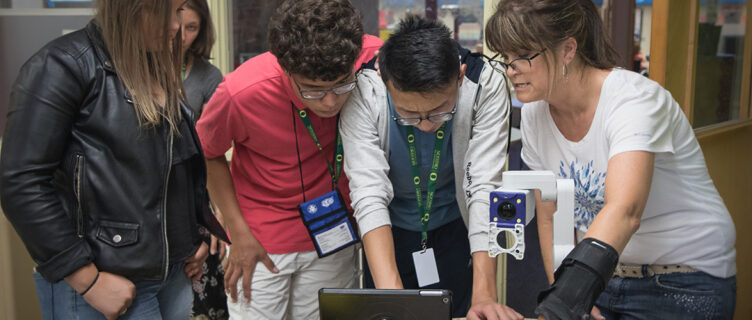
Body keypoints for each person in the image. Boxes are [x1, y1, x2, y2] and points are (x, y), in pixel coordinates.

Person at [484, 0, 738, 319]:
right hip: (601, 276)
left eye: (523, 55)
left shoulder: (633, 100)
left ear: (568, 50)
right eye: (505, 57)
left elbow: (624, 211)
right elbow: (551, 217)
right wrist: (565, 294)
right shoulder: (535, 114)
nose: (511, 69)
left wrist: (565, 300)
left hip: (682, 278)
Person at [0, 0, 229, 319]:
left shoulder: (154, 63)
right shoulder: (62, 64)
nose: (175, 26)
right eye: (162, 12)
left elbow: (170, 170)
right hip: (104, 280)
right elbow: (22, 184)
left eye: (178, 11)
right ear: (127, 7)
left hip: (173, 275)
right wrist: (87, 279)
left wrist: (193, 234)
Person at [195, 0, 382, 319]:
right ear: (285, 68)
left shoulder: (372, 56)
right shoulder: (241, 91)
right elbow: (208, 153)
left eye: (342, 85)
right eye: (313, 90)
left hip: (334, 234)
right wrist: (238, 233)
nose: (330, 102)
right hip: (261, 239)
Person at [340, 16, 522, 320]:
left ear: (459, 77)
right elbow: (368, 193)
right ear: (385, 82)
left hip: (456, 227)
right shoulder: (364, 91)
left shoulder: (485, 82)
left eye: (439, 110)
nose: (425, 125)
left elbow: (483, 188)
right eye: (408, 114)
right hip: (388, 230)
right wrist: (391, 298)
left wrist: (485, 295)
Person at [175, 0, 228, 318]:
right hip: (155, 193)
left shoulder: (209, 76)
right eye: (177, 25)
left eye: (191, 28)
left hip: (197, 191)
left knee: (203, 298)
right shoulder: (138, 71)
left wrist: (219, 213)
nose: (180, 35)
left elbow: (213, 150)